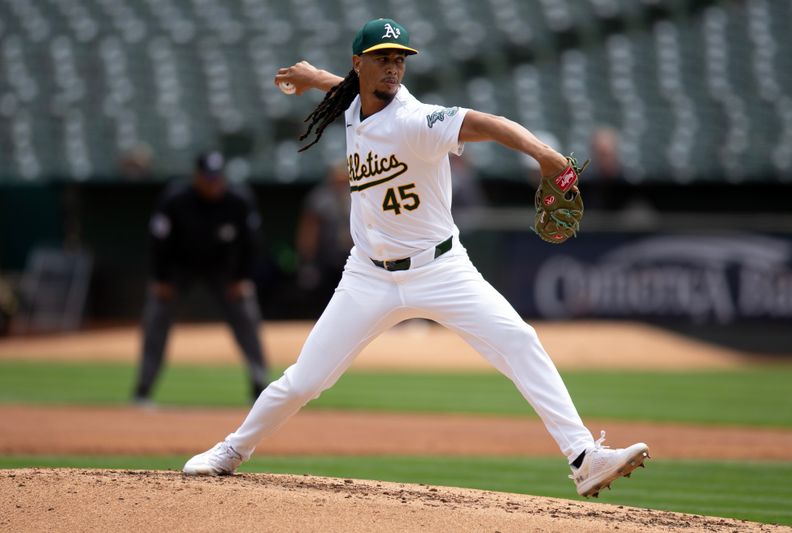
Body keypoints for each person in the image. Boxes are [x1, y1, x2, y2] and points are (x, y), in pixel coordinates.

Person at [183, 19, 648, 498]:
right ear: (358, 64)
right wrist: (310, 77)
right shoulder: (351, 104)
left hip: (441, 269)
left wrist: (544, 155)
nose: (393, 67)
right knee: (304, 381)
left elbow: (488, 124)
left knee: (518, 339)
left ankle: (584, 457)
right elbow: (340, 88)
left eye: (399, 58)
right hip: (367, 275)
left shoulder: (415, 120)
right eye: (383, 57)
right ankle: (232, 450)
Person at [133, 151, 269, 405]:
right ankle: (143, 389)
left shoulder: (238, 200)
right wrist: (160, 279)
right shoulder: (175, 199)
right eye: (208, 178)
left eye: (217, 178)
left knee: (247, 320)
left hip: (224, 270)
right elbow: (157, 241)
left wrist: (242, 278)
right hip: (179, 268)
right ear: (196, 177)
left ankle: (260, 386)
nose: (213, 184)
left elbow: (252, 243)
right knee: (156, 320)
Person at [294, 160, 353, 314]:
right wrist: (307, 258)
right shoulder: (319, 198)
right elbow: (308, 230)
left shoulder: (358, 195)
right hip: (327, 254)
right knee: (327, 292)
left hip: (353, 253)